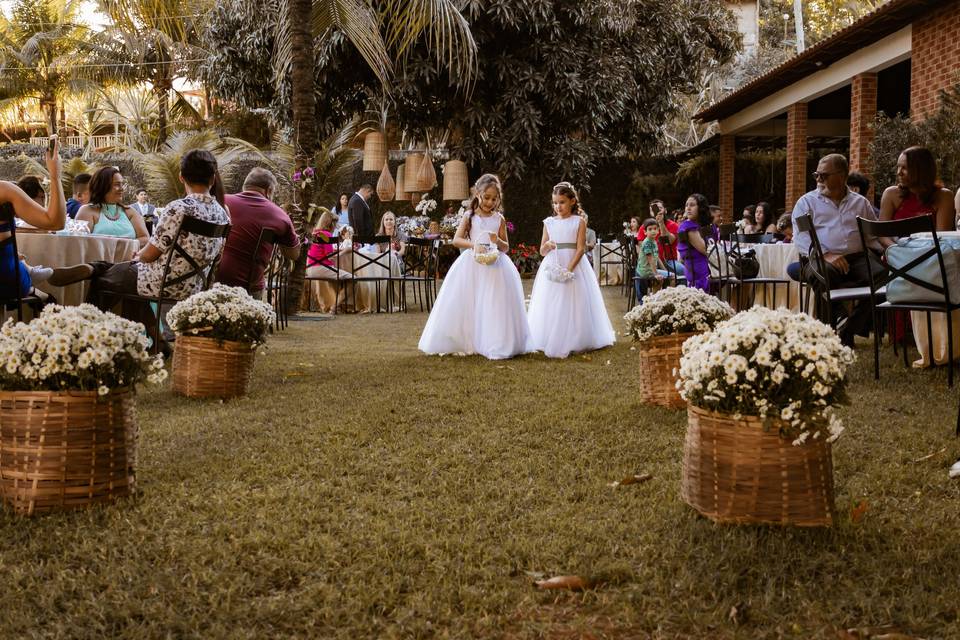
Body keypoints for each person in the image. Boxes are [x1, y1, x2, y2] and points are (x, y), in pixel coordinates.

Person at [84, 149, 232, 352]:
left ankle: (90, 339)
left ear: (181, 177)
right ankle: (155, 342)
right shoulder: (223, 214)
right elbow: (218, 260)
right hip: (195, 285)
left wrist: (139, 255)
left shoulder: (178, 208)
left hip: (161, 282)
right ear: (213, 178)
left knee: (105, 279)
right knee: (125, 281)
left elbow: (150, 254)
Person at [418, 173, 531, 359]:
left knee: (493, 302)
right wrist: (474, 245)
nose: (490, 202)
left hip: (495, 264)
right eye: (487, 197)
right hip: (473, 263)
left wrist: (498, 240)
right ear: (478, 194)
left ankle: (493, 340)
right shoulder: (470, 216)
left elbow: (506, 247)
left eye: (494, 199)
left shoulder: (499, 219)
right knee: (471, 300)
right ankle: (468, 339)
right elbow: (456, 240)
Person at [791, 153, 881, 346]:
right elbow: (800, 237)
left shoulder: (861, 203)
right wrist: (826, 254)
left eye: (823, 175)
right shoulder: (805, 203)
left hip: (857, 258)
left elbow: (871, 237)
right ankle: (830, 331)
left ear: (841, 176)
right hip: (818, 258)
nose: (818, 180)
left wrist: (888, 252)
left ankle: (848, 327)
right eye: (817, 175)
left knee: (882, 276)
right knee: (824, 273)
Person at [526, 182, 615, 358]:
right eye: (555, 203)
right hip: (553, 263)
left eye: (562, 202)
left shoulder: (579, 221)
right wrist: (548, 245)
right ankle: (549, 335)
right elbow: (542, 251)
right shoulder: (549, 222)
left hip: (574, 264)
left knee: (575, 300)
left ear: (572, 201)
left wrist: (569, 269)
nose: (558, 206)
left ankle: (577, 337)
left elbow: (581, 248)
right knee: (552, 300)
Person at [0, 138, 91, 303]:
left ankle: (37, 286)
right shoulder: (4, 190)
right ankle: (39, 292)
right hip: (6, 280)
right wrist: (55, 175)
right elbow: (55, 222)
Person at [215, 168, 300, 297]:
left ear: (245, 187)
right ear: (269, 191)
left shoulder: (221, 201)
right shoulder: (280, 215)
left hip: (212, 280)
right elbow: (294, 254)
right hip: (249, 287)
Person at [878, 146, 955, 245]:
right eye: (898, 167)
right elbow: (882, 235)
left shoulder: (944, 196)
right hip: (896, 255)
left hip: (930, 255)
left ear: (921, 170)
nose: (898, 172)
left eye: (904, 168)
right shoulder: (891, 194)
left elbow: (942, 239)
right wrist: (897, 251)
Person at [76, 167, 150, 246]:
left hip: (129, 258)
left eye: (122, 184)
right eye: (117, 184)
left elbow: (145, 238)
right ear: (102, 186)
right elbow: (79, 243)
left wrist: (123, 246)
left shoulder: (129, 212)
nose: (122, 189)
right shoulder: (87, 211)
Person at [638, 199, 683, 278]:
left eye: (659, 208)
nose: (656, 211)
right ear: (650, 213)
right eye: (653, 210)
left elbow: (670, 241)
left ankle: (678, 290)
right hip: (650, 261)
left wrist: (661, 223)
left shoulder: (673, 225)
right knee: (639, 271)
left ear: (665, 210)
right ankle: (640, 291)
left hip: (669, 260)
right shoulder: (644, 227)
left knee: (684, 271)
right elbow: (642, 247)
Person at [677, 194, 712, 291]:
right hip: (700, 273)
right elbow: (707, 250)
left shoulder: (699, 226)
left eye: (692, 205)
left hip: (697, 270)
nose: (688, 208)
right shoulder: (688, 227)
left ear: (700, 208)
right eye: (686, 205)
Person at [634, 218, 669, 304]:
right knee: (671, 277)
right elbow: (650, 259)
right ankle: (659, 300)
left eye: (655, 228)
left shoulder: (653, 241)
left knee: (663, 277)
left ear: (658, 230)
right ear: (645, 232)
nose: (653, 231)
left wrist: (664, 270)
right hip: (646, 271)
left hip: (649, 270)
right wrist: (656, 274)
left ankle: (654, 298)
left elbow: (656, 257)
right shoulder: (647, 243)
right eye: (650, 229)